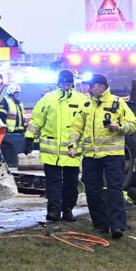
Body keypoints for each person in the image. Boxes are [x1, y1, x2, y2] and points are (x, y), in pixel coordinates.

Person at [69, 73, 136, 239]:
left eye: (92, 86)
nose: (89, 89)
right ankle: (100, 225)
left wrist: (118, 126)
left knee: (114, 189)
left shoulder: (117, 103)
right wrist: (72, 145)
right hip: (91, 155)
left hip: (112, 155)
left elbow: (133, 125)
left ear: (101, 87)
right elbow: (76, 127)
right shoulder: (85, 104)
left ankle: (117, 226)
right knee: (92, 190)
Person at [24, 70, 87, 222]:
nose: (66, 85)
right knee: (53, 184)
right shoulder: (48, 99)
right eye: (63, 83)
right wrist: (29, 137)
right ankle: (53, 210)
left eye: (68, 83)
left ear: (73, 83)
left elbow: (86, 124)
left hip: (72, 152)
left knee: (71, 184)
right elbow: (37, 119)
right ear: (58, 83)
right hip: (51, 153)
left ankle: (67, 210)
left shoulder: (82, 100)